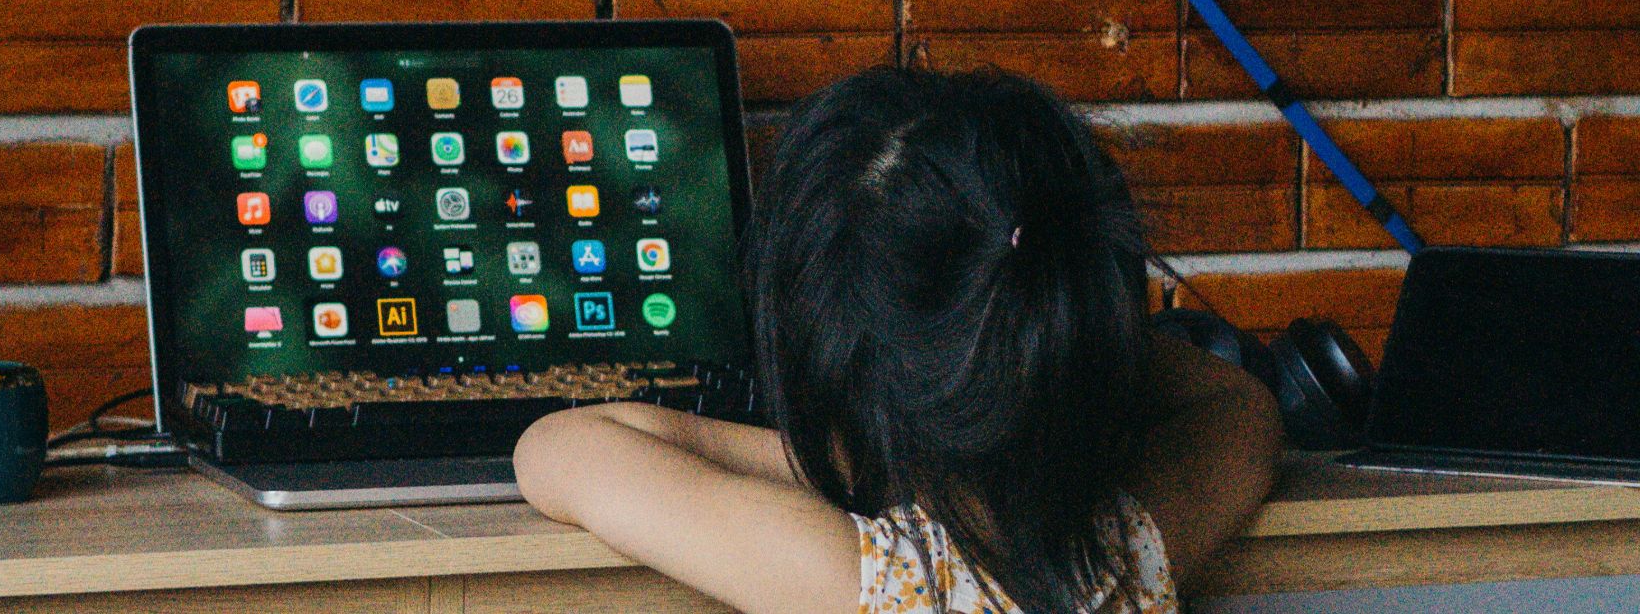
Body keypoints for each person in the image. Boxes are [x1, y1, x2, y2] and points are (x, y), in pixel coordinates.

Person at [514, 67, 1283, 614]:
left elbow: (560, 448)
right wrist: (1059, 350)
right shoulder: (1130, 548)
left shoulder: (875, 582)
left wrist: (855, 457)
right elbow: (1236, 401)